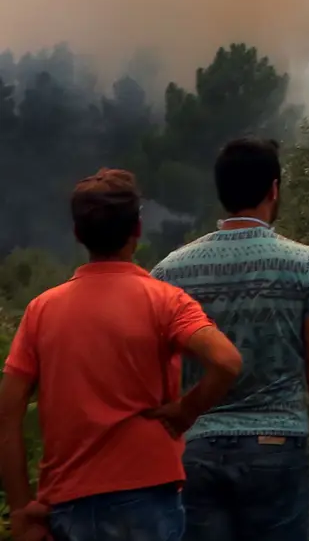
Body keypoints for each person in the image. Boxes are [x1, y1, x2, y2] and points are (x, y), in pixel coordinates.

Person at [0, 169, 243, 541]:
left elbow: (8, 413)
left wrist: (21, 510)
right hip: (148, 500)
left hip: (68, 504)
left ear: (79, 234)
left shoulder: (40, 311)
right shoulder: (165, 301)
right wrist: (185, 411)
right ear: (137, 231)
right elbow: (226, 361)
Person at [149, 136, 309, 541]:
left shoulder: (171, 271)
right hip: (277, 445)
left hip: (197, 449)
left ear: (222, 192)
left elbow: (152, 361)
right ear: (274, 189)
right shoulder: (304, 265)